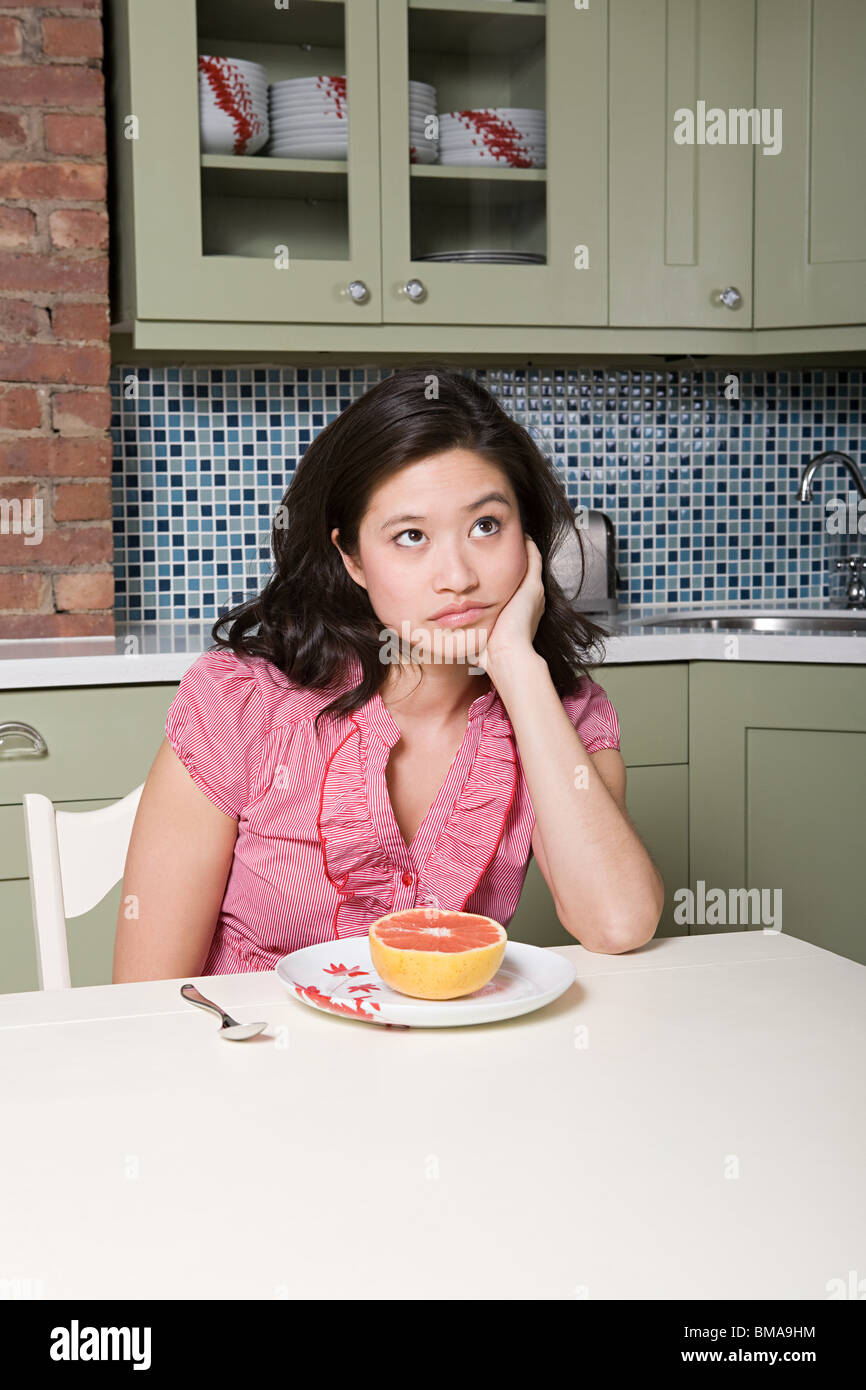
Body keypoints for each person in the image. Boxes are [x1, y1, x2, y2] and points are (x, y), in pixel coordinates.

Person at [113, 365, 663, 982]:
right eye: (409, 536)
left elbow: (617, 923)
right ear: (351, 558)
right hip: (250, 1063)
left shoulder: (566, 716)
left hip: (438, 1068)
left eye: (487, 526)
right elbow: (145, 998)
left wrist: (517, 667)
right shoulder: (240, 704)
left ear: (529, 540)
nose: (457, 575)